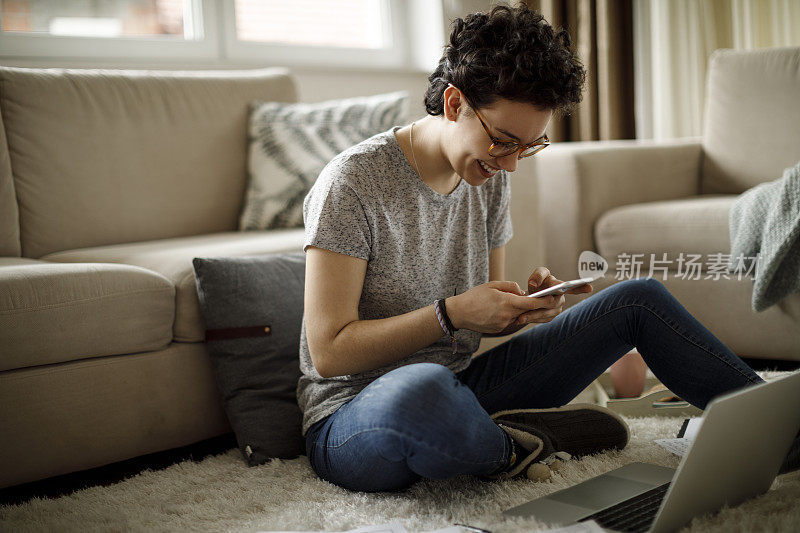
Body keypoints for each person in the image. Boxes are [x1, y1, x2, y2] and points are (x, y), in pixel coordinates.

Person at [297, 4, 791, 493]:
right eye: (503, 142)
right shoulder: (354, 182)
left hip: (464, 388)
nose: (511, 166)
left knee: (638, 299)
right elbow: (329, 352)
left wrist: (517, 310)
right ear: (454, 104)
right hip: (357, 418)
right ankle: (516, 446)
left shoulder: (487, 176)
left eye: (527, 148)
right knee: (421, 391)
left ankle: (784, 432)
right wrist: (451, 314)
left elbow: (477, 321)